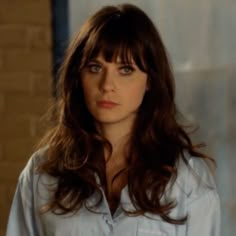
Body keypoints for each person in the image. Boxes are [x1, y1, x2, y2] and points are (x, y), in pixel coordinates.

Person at [7, 3, 220, 236]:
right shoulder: (42, 174)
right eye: (95, 67)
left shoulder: (188, 180)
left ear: (150, 80)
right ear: (78, 76)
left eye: (126, 69)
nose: (107, 85)